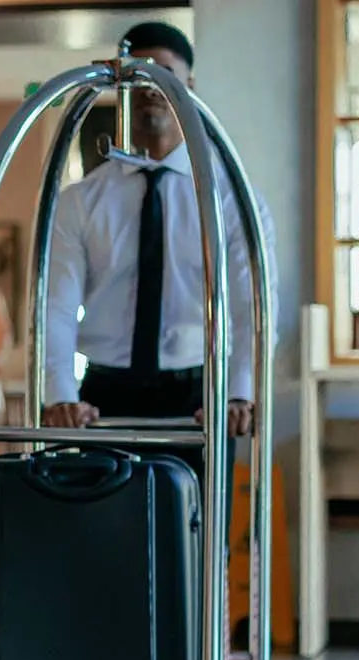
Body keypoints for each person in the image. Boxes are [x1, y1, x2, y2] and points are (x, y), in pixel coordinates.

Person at [40, 21, 266, 450]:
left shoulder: (231, 200)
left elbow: (248, 306)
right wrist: (60, 395)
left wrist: (240, 392)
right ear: (119, 86)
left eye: (162, 74)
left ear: (189, 85)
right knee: (98, 516)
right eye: (136, 76)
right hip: (105, 394)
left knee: (194, 516)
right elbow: (56, 307)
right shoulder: (81, 200)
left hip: (199, 393)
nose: (148, 88)